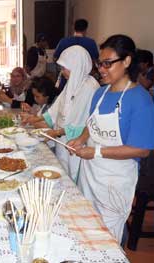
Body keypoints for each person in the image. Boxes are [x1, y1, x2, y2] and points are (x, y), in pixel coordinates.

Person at [67, 35, 154, 242]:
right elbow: (92, 123)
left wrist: (95, 151)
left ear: (126, 61)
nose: (101, 69)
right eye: (100, 63)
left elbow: (141, 150)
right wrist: (81, 139)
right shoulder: (101, 93)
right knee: (87, 224)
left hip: (115, 180)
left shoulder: (141, 100)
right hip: (91, 174)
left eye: (108, 63)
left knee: (107, 235)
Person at [23, 46, 99, 182]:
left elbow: (83, 124)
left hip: (76, 143)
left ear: (76, 66)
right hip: (62, 140)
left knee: (73, 177)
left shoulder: (90, 88)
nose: (62, 72)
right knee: (62, 175)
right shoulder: (72, 83)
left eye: (64, 68)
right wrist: (34, 119)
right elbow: (55, 110)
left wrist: (56, 132)